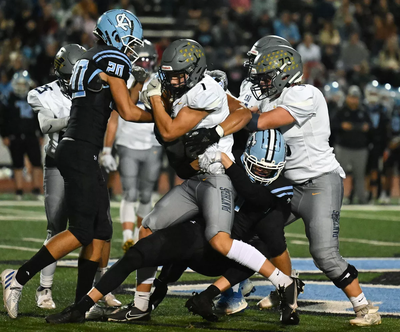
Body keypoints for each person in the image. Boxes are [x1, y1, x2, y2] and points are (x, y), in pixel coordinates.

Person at [184, 44, 381, 326]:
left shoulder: (306, 94)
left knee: (324, 254)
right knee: (258, 234)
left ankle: (364, 308)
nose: (261, 82)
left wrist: (226, 99)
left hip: (319, 182)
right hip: (287, 183)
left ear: (283, 74)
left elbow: (259, 121)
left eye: (266, 77)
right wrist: (218, 92)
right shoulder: (273, 96)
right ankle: (284, 289)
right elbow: (242, 112)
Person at [112, 38, 299, 324]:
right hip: (192, 176)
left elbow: (171, 130)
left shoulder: (206, 90)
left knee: (221, 239)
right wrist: (132, 83)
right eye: (168, 74)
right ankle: (141, 305)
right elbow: (128, 112)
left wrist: (212, 131)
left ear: (196, 72)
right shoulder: (173, 86)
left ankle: (280, 282)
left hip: (215, 177)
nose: (171, 80)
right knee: (149, 228)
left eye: (178, 74)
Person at [44, 129, 297, 325]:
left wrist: (227, 163)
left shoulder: (271, 189)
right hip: (198, 237)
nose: (262, 173)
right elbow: (187, 170)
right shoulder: (233, 163)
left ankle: (274, 287)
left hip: (226, 256)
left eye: (268, 170)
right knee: (139, 251)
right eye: (258, 167)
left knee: (257, 243)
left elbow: (258, 201)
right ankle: (84, 306)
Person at [1, 9, 152, 319]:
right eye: (129, 41)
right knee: (82, 231)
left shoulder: (90, 57)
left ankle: (81, 305)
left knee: (101, 230)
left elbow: (121, 102)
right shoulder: (113, 58)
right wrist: (166, 120)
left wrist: (136, 84)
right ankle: (17, 278)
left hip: (78, 148)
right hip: (81, 149)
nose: (131, 49)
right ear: (116, 35)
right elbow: (129, 112)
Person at [27, 44, 121, 310]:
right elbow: (45, 124)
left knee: (102, 225)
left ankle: (101, 288)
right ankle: (44, 289)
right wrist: (77, 118)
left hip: (87, 161)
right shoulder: (45, 94)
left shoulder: (94, 84)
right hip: (58, 162)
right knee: (57, 225)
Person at [101, 40, 162, 252]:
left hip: (153, 144)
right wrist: (107, 148)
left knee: (146, 195)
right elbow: (115, 117)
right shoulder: (123, 79)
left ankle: (138, 236)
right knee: (130, 193)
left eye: (148, 60)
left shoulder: (160, 81)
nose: (145, 65)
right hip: (127, 143)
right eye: (141, 60)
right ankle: (128, 236)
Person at [0, 70, 43, 200]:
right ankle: (19, 191)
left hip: (31, 135)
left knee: (36, 163)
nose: (21, 86)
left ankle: (36, 190)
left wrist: (40, 133)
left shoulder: (33, 97)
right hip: (15, 136)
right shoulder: (8, 99)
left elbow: (39, 117)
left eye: (23, 84)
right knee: (17, 164)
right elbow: (2, 119)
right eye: (18, 83)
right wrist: (5, 135)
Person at [331, 85, 372, 205]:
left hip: (360, 149)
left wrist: (351, 127)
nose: (354, 100)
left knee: (360, 176)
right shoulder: (341, 110)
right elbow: (333, 125)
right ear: (347, 97)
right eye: (352, 97)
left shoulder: (363, 111)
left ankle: (361, 199)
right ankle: (335, 198)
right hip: (343, 147)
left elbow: (369, 127)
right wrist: (346, 126)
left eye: (356, 97)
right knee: (338, 176)